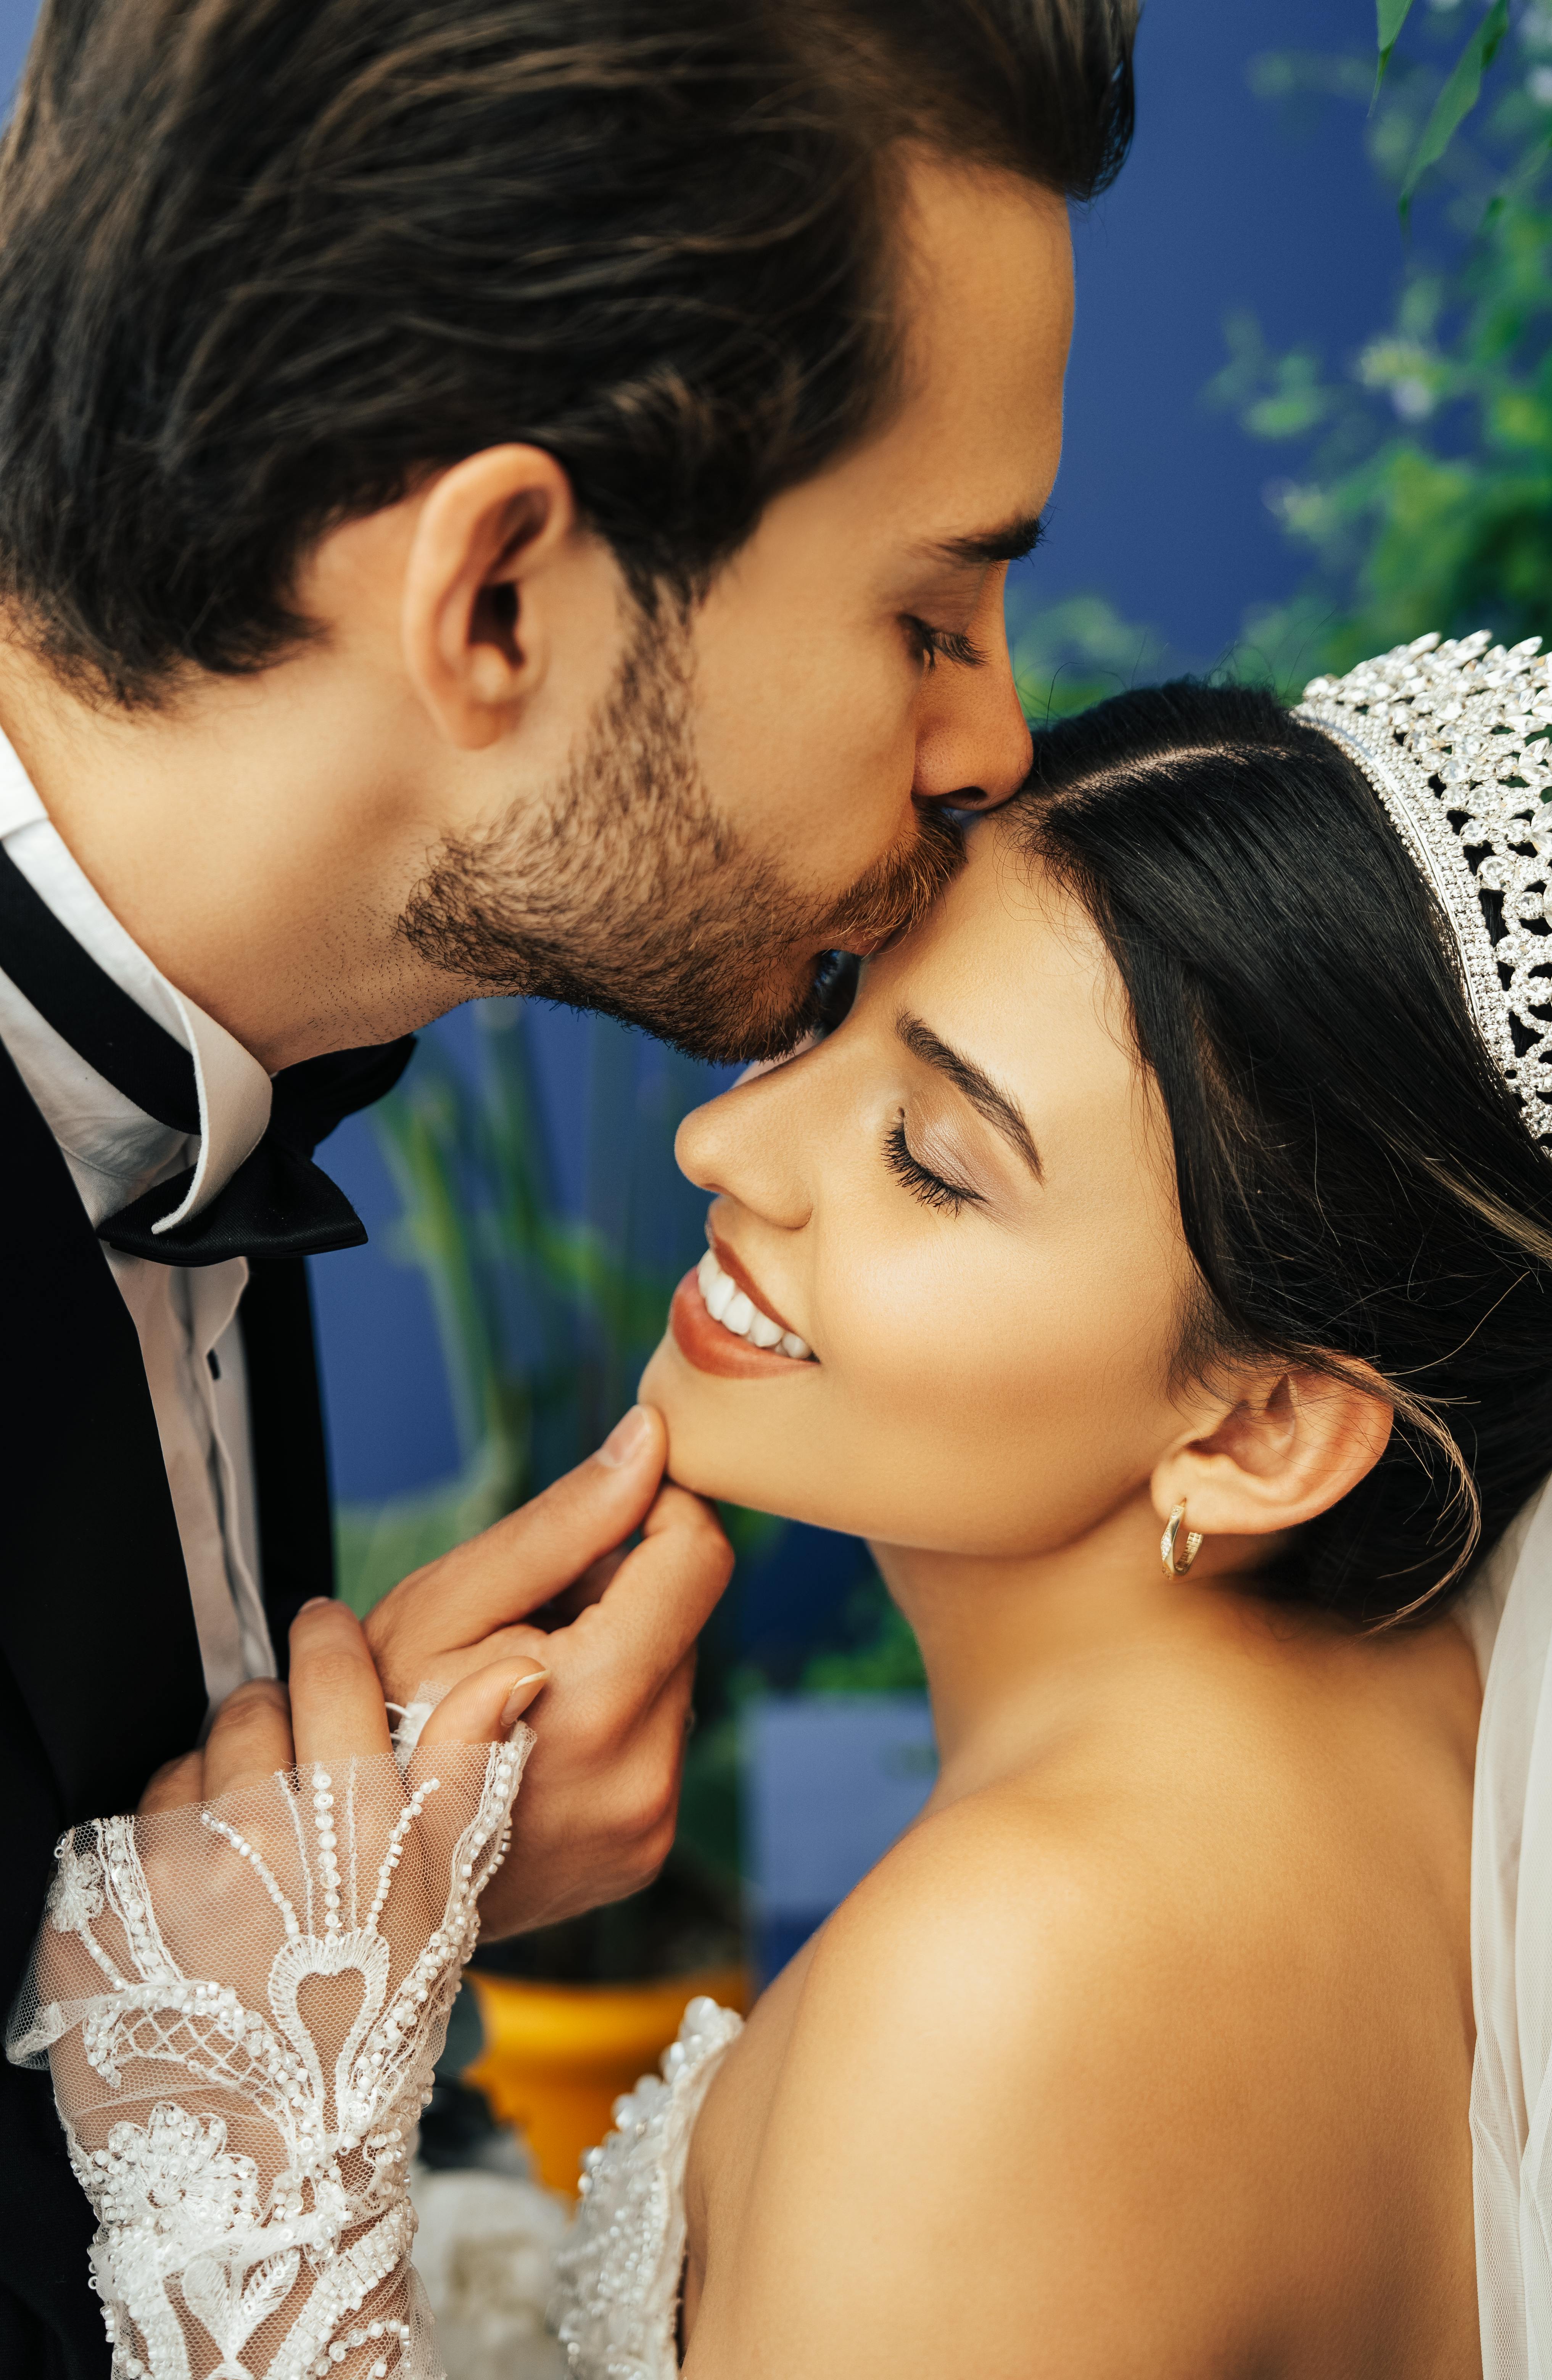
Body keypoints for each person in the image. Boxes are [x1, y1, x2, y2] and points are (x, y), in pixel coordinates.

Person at [25, 632, 1552, 2378]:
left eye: (931, 1158)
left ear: (1269, 1426)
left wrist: (263, 2173)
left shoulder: (1014, 1992)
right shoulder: (1426, 1748)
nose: (729, 1148)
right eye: (839, 1018)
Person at [0, 0, 1137, 2367]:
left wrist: (349, 1923)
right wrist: (212, 2018)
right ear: (498, 593)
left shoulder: (255, 1055)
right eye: (930, 614)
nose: (994, 741)